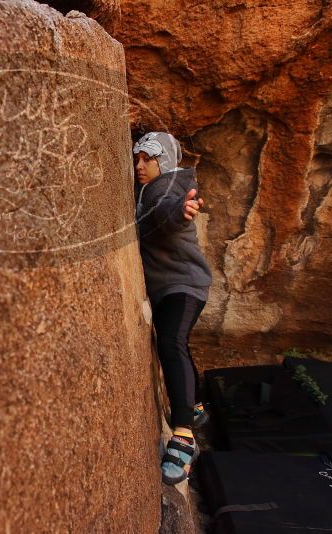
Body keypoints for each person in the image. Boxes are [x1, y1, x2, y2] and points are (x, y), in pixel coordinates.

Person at [133, 131, 213, 485]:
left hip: (184, 285)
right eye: (136, 158)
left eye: (146, 159)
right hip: (173, 286)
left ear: (163, 161)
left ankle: (183, 437)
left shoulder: (167, 188)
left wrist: (182, 212)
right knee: (177, 342)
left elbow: (168, 212)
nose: (139, 166)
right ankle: (194, 408)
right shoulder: (157, 187)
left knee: (171, 343)